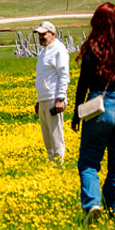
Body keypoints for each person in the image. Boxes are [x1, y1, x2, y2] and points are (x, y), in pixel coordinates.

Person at [71, 2, 115, 224]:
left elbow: (82, 86)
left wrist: (76, 114)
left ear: (96, 22)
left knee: (88, 163)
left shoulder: (92, 50)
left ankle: (93, 204)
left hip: (99, 110)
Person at [33, 21, 70, 163]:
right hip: (43, 99)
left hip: (54, 99)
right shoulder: (43, 52)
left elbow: (64, 75)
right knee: (47, 138)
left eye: (44, 34)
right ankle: (51, 164)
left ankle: (59, 162)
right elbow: (42, 76)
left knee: (56, 137)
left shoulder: (59, 49)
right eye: (39, 34)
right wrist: (38, 100)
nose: (41, 37)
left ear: (52, 34)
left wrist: (60, 98)